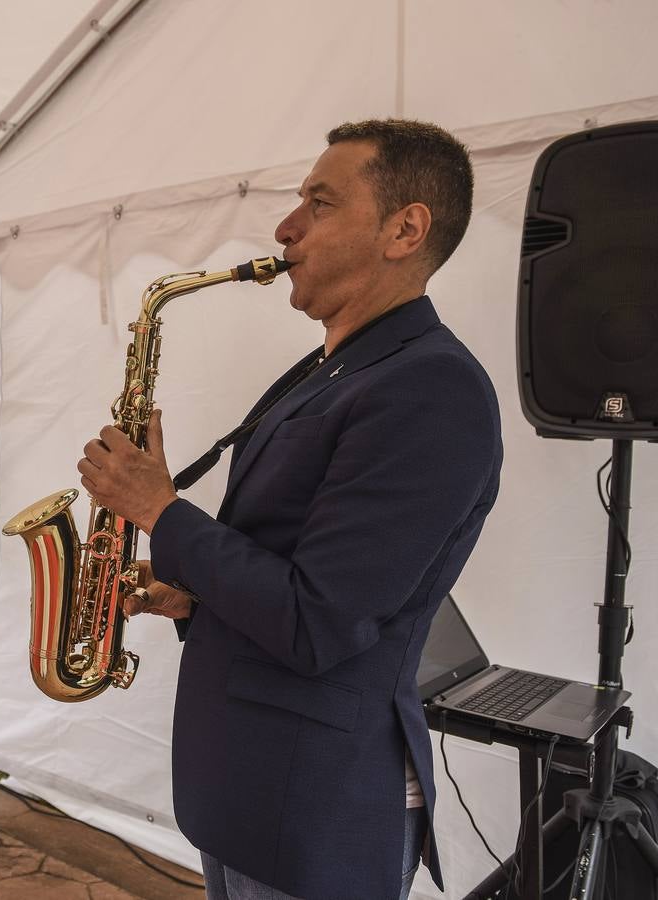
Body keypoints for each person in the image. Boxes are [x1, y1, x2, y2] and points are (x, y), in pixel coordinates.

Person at [78, 120, 502, 899]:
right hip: (257, 791)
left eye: (320, 202)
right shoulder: (334, 369)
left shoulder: (431, 388)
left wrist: (160, 512)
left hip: (314, 807)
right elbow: (293, 572)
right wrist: (191, 598)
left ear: (405, 230)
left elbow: (321, 622)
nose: (285, 227)